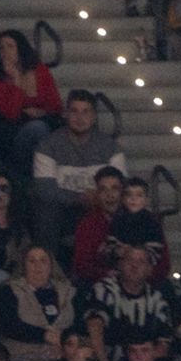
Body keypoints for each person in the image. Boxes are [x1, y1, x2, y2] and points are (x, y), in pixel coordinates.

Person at [30, 91, 126, 252]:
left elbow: (121, 185)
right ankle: (48, 262)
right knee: (45, 209)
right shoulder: (48, 145)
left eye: (86, 112)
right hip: (63, 210)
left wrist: (99, 198)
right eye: (74, 111)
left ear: (94, 117)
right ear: (66, 114)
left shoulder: (110, 147)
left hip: (99, 206)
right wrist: (79, 198)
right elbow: (44, 190)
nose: (80, 118)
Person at [0, 244, 71, 361]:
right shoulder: (8, 291)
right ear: (24, 265)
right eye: (32, 261)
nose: (38, 265)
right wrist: (43, 335)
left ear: (51, 265)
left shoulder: (66, 290)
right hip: (21, 358)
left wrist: (64, 341)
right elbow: (7, 324)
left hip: (62, 355)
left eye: (43, 260)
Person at [82, 243, 170, 361]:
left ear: (149, 270)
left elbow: (163, 343)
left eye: (141, 261)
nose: (134, 265)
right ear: (120, 265)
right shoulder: (104, 291)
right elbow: (94, 328)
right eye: (129, 260)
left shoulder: (157, 300)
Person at [0, 30, 60, 176]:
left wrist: (42, 112)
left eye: (10, 46)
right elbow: (10, 114)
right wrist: (16, 81)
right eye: (1, 47)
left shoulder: (40, 71)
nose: (5, 52)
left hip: (45, 122)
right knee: (36, 129)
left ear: (20, 48)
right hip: (14, 133)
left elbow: (55, 104)